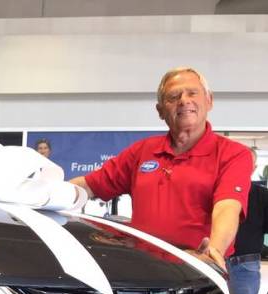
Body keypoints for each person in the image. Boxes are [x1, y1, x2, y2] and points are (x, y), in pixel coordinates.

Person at [71, 67, 252, 272]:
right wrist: (42, 192)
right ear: (160, 111)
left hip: (199, 267)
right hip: (142, 268)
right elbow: (88, 185)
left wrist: (213, 251)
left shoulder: (233, 153)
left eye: (192, 93)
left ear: (209, 100)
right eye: (174, 96)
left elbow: (227, 207)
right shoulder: (142, 150)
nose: (184, 100)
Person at [228, 147, 268, 294]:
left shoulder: (262, 196)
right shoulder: (213, 193)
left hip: (244, 267)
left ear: (254, 167)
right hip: (213, 265)